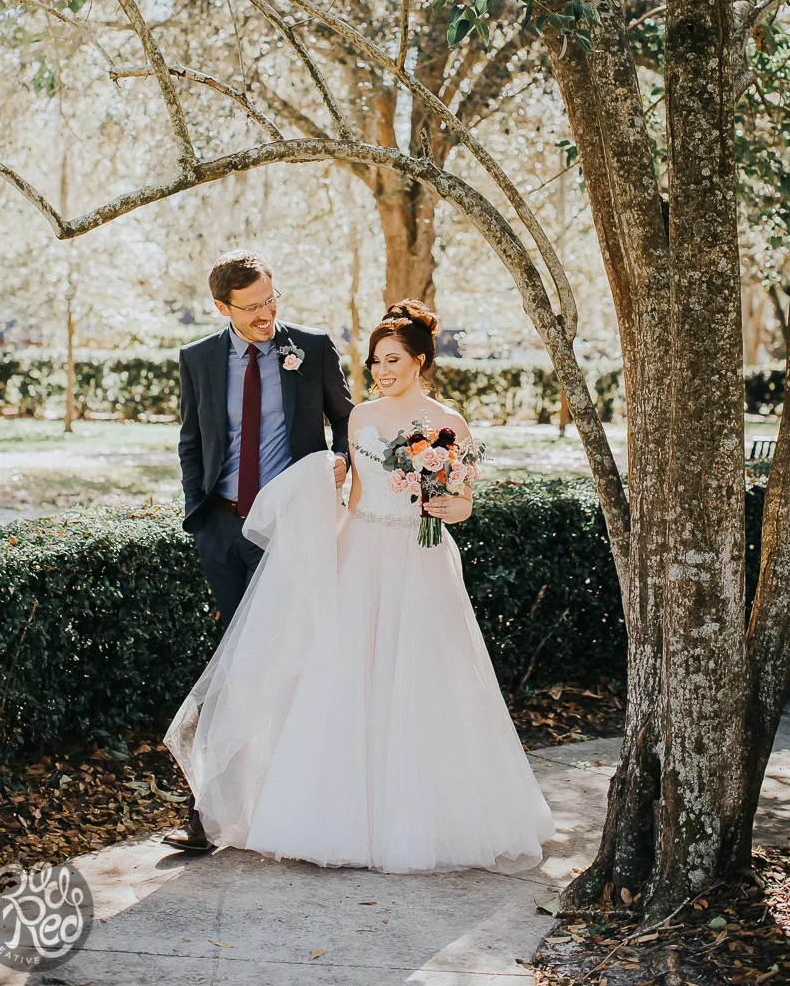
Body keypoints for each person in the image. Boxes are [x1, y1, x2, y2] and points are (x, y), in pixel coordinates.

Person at [164, 299, 554, 873]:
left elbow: (464, 501)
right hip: (362, 550)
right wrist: (325, 553)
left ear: (419, 361)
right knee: (344, 676)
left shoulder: (450, 423)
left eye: (393, 359)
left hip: (420, 559)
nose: (382, 370)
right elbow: (355, 499)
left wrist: (451, 507)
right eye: (375, 361)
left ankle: (419, 815)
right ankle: (337, 813)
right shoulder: (360, 419)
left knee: (421, 678)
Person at [163, 250, 353, 851]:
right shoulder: (198, 359)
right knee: (235, 666)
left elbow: (347, 421)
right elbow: (192, 439)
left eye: (271, 300)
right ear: (222, 308)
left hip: (292, 533)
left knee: (280, 664)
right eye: (251, 308)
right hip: (222, 531)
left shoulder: (311, 349)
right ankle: (219, 810)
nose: (266, 314)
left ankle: (253, 810)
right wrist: (199, 516)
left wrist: (342, 461)